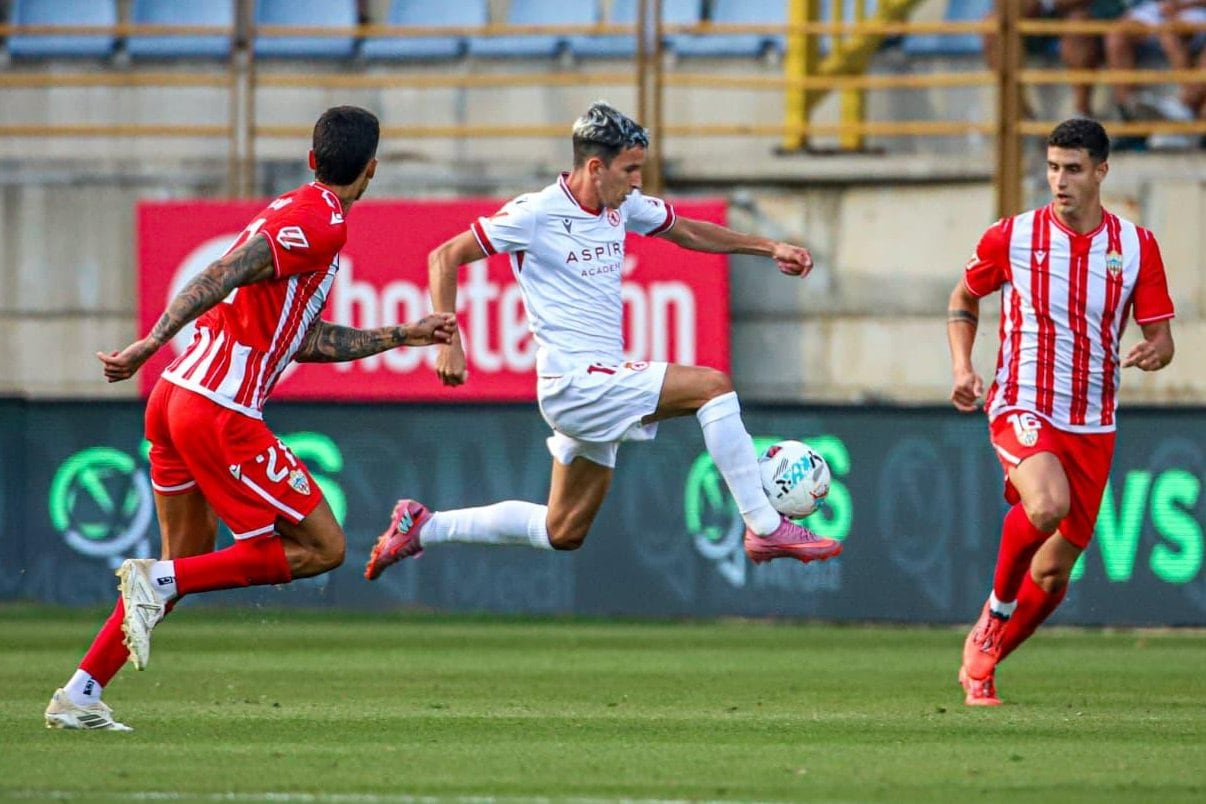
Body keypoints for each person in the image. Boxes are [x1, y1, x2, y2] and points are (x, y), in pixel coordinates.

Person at [44, 106, 458, 731]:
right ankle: (154, 583)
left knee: (183, 562)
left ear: (312, 158)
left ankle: (79, 692)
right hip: (218, 408)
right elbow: (219, 274)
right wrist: (147, 344)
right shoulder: (320, 224)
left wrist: (403, 333)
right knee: (324, 546)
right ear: (372, 169)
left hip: (177, 398)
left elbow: (305, 338)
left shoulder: (299, 210)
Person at [363, 101, 842, 582]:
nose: (637, 182)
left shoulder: (621, 206)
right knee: (712, 386)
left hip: (597, 383)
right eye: (630, 170)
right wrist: (449, 339)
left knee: (562, 529)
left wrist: (769, 247)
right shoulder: (535, 213)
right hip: (574, 383)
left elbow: (689, 231)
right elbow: (444, 256)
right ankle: (764, 525)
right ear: (596, 167)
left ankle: (422, 527)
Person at [947, 118, 1175, 706]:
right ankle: (994, 614)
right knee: (1045, 503)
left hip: (1093, 421)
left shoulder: (1136, 246)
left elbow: (1163, 336)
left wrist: (1155, 351)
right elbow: (963, 297)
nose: (1059, 181)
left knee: (1052, 577)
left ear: (1102, 171)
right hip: (1021, 400)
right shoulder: (1012, 236)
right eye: (1052, 167)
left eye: (1072, 169)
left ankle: (984, 664)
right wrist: (962, 368)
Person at [986, 0, 1130, 119]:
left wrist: (1045, 4)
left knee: (1078, 25)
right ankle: (1019, 114)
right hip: (1039, 14)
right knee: (993, 25)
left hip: (1089, 10)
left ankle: (1082, 115)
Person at [1105, 0, 1206, 145]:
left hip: (1196, 8)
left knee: (1170, 34)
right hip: (1155, 8)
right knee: (1116, 35)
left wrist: (1182, 5)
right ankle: (1130, 117)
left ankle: (1184, 110)